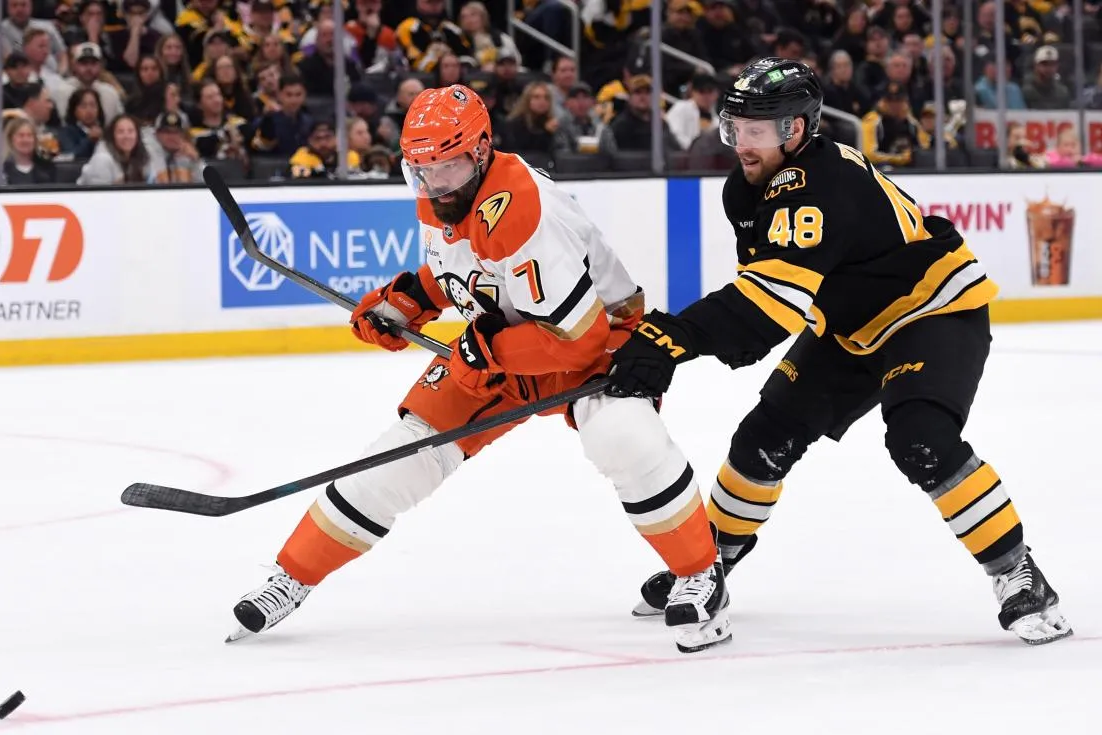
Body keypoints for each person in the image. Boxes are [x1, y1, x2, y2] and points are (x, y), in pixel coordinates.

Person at [227, 84, 732, 654]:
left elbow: (578, 339)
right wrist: (407, 301)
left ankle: (701, 573)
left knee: (622, 438)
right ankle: (291, 577)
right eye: (420, 170)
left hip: (598, 340)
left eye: (446, 167)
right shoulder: (442, 191)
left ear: (483, 150)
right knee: (402, 455)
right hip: (509, 341)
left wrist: (486, 351)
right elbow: (461, 269)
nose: (432, 183)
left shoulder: (521, 212)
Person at [605, 57, 1073, 646]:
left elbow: (769, 302)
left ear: (795, 130)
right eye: (735, 127)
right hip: (850, 326)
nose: (740, 143)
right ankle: (709, 565)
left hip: (931, 310)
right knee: (762, 438)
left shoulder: (820, 182)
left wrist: (676, 338)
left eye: (755, 129)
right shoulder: (746, 189)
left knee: (920, 438)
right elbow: (772, 297)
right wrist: (686, 338)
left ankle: (1018, 573)